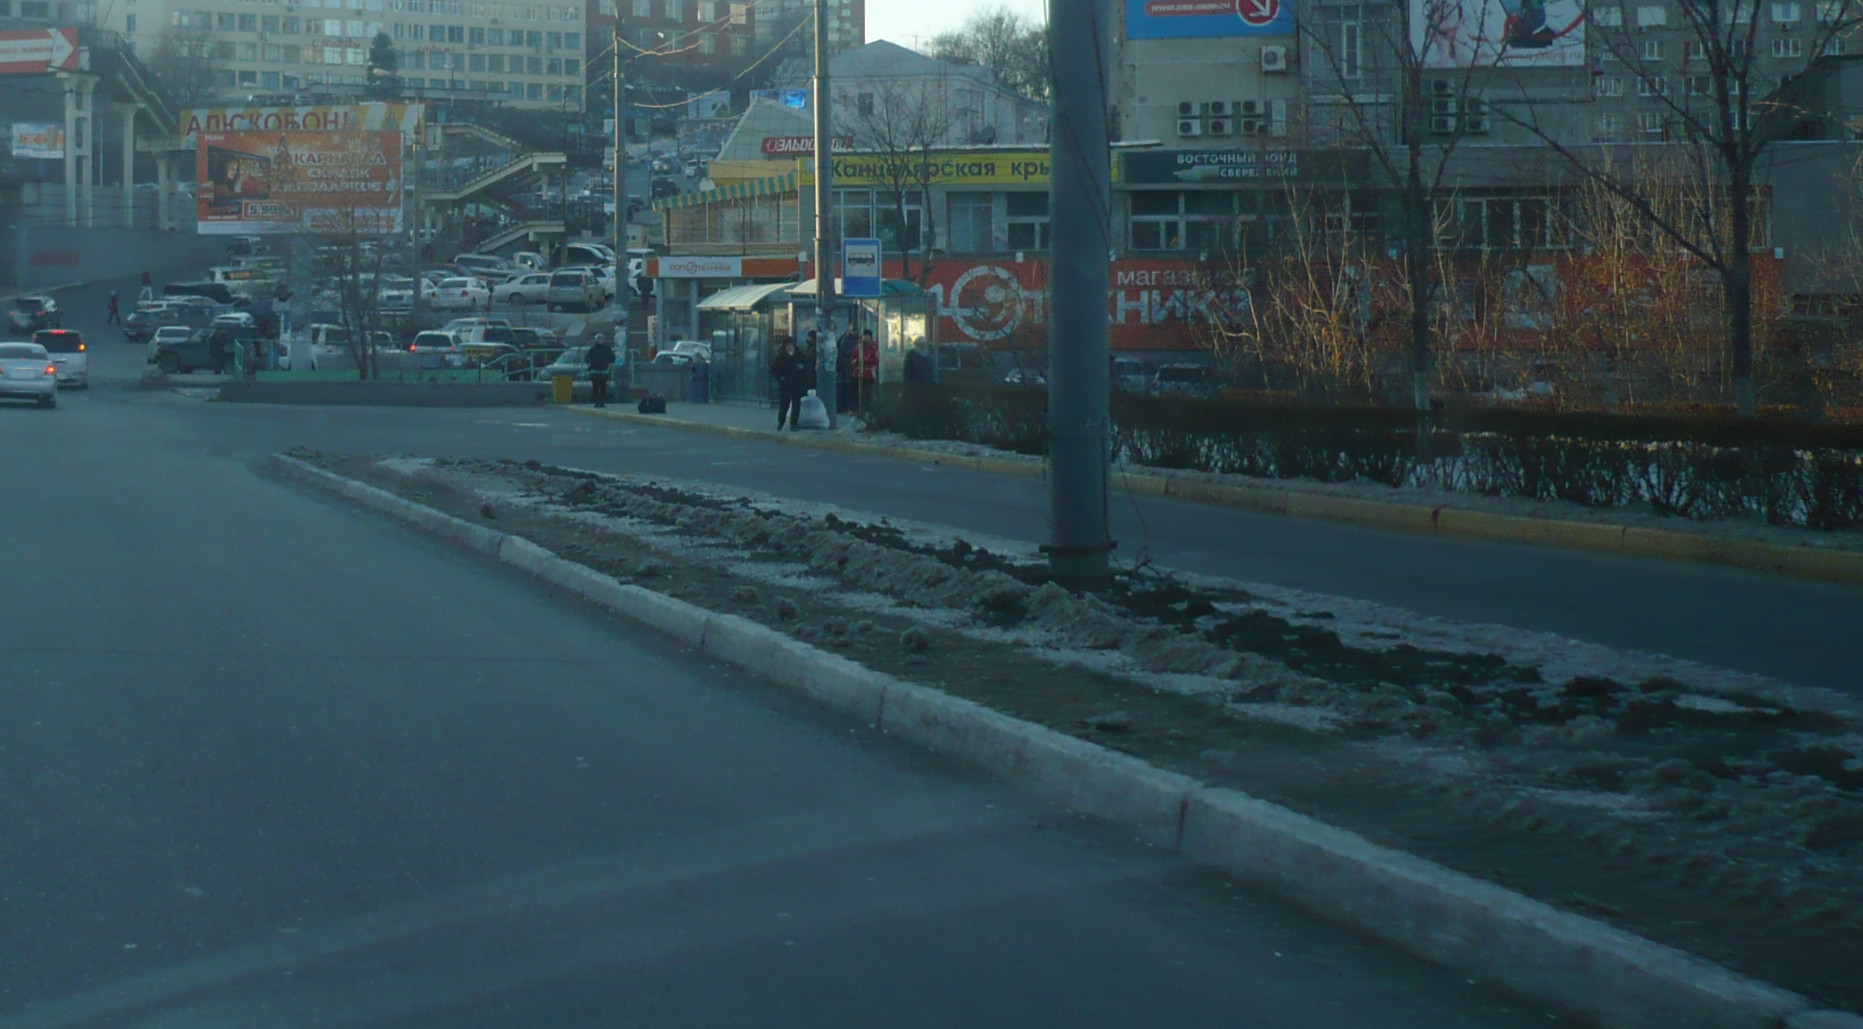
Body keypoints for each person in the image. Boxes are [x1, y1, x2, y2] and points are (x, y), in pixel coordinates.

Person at [771, 335, 811, 430]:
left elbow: (806, 369)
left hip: (797, 385)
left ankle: (794, 424)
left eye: (791, 345)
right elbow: (774, 370)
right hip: (786, 385)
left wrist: (804, 378)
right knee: (784, 405)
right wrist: (780, 378)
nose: (789, 347)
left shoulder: (800, 356)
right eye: (787, 345)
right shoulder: (781, 357)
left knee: (796, 405)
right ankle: (781, 422)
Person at [586, 333, 617, 407]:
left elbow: (612, 357)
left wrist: (607, 363)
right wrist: (592, 363)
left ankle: (602, 402)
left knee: (603, 387)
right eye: (598, 339)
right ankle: (597, 402)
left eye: (601, 339)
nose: (599, 340)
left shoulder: (607, 349)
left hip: (604, 370)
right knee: (595, 388)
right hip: (595, 371)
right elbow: (587, 358)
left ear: (603, 340)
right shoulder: (592, 349)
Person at [854, 329, 879, 412]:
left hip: (869, 374)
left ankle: (869, 410)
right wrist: (856, 361)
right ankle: (858, 409)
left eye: (867, 336)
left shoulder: (874, 348)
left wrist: (865, 360)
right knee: (858, 393)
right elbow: (852, 359)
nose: (865, 338)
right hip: (858, 374)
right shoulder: (858, 348)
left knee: (869, 393)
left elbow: (876, 360)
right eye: (864, 336)